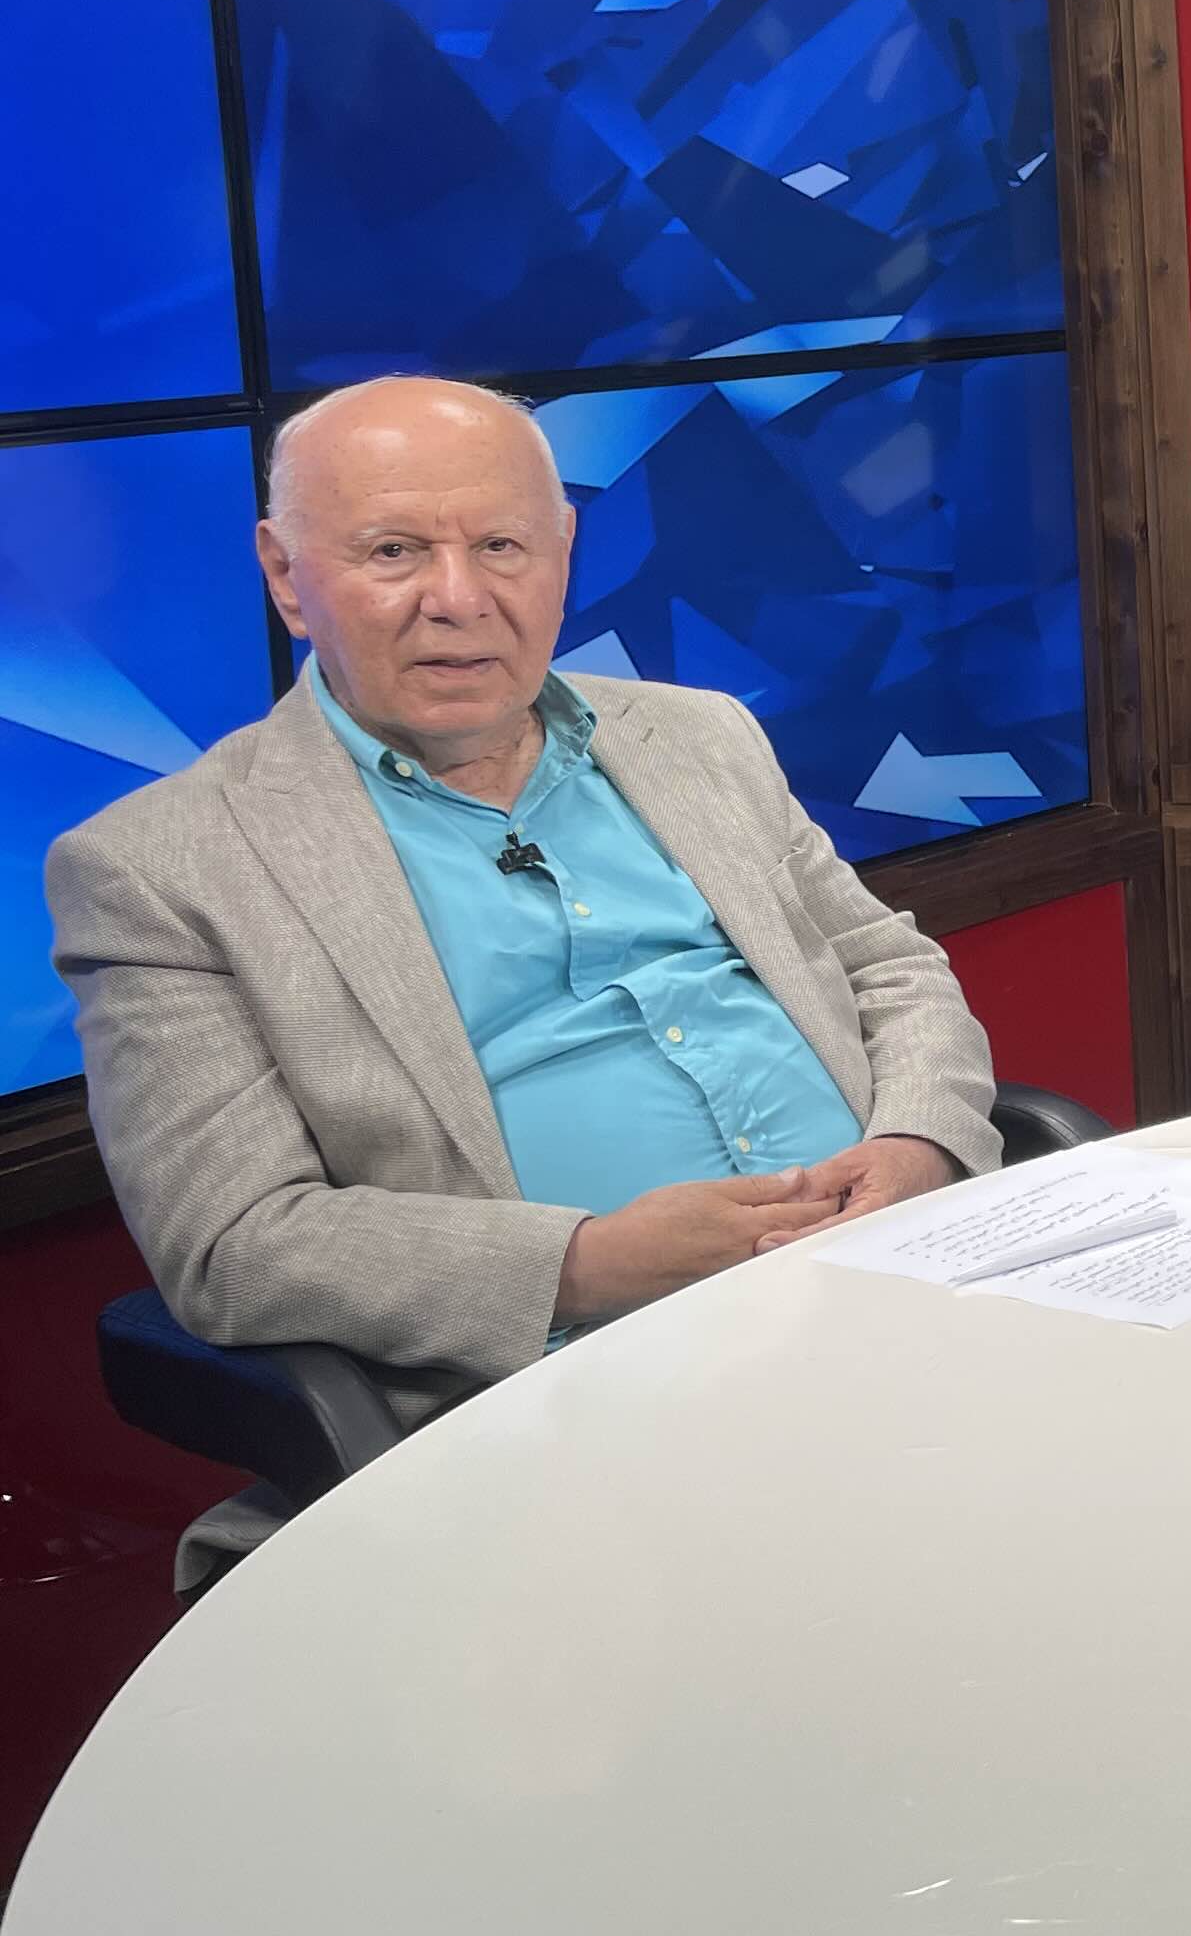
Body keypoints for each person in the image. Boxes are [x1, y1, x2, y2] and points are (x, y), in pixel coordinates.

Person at [52, 376, 1002, 1390]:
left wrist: (919, 1144)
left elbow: (885, 965)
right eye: (394, 551)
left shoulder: (701, 734)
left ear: (562, 550)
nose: (459, 600)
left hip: (910, 1269)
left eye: (501, 546)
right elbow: (234, 1243)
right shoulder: (162, 870)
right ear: (286, 577)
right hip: (592, 1375)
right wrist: (587, 1265)